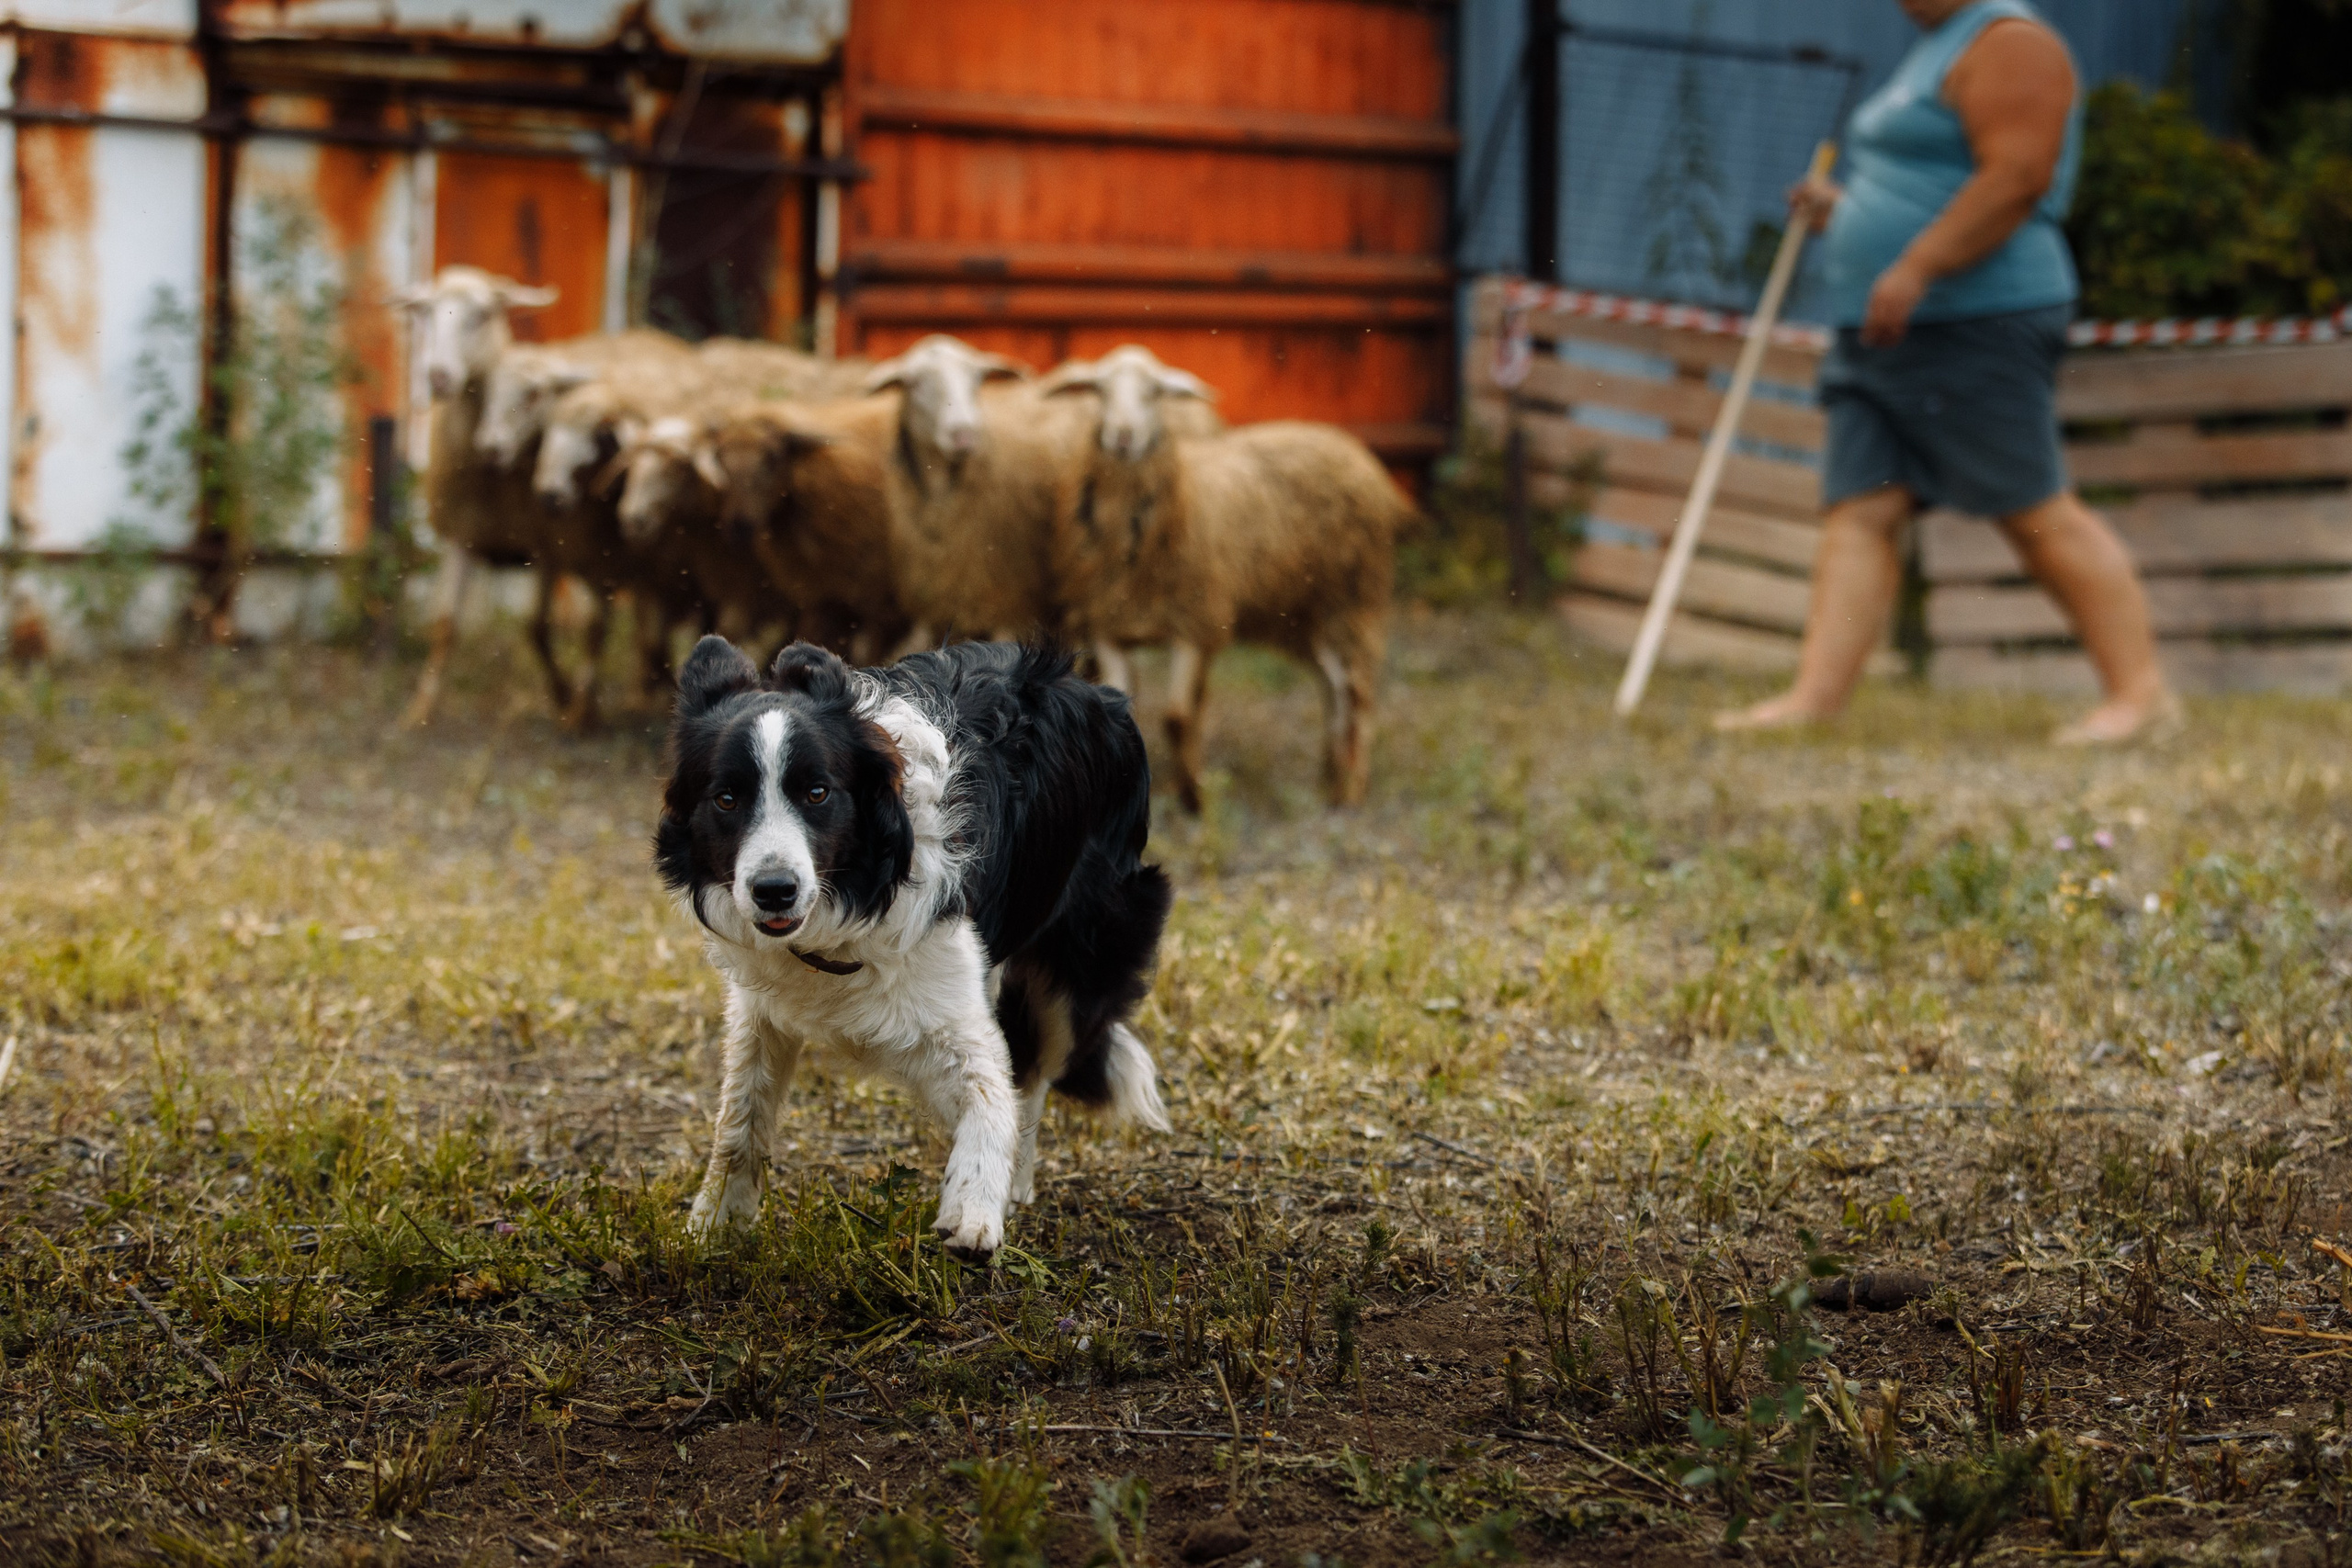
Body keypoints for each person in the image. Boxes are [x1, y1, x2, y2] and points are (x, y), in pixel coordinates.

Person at [1715, 0, 2177, 744]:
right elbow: (1927, 178)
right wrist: (1849, 207)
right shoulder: (1936, 46)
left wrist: (1917, 266)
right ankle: (1814, 701)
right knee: (1862, 509)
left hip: (1975, 317)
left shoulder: (2010, 41)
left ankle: (2140, 693)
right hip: (1885, 327)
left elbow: (2018, 178)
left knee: (2034, 509)